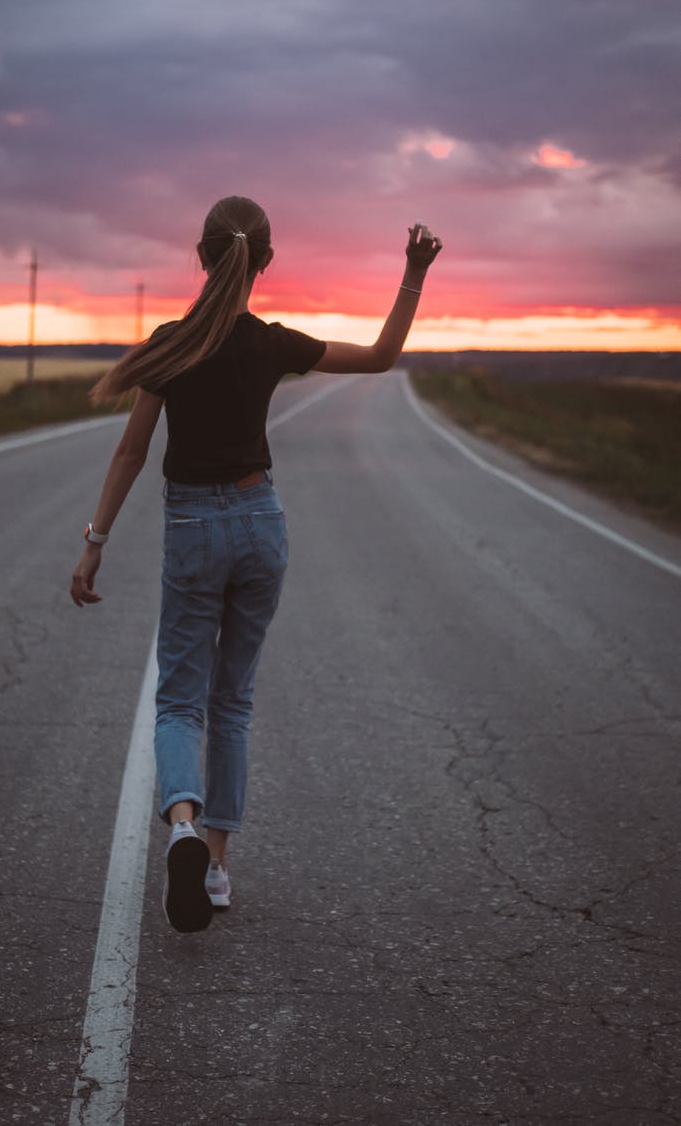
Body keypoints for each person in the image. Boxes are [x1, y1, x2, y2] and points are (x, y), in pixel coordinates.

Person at [70, 196, 442, 933]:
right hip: (260, 523)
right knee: (231, 700)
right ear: (263, 262)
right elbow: (380, 357)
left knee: (179, 698)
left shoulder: (171, 344)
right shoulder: (271, 342)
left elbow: (131, 452)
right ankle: (214, 868)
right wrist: (412, 272)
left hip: (193, 525)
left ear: (201, 256)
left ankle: (180, 822)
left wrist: (95, 542)